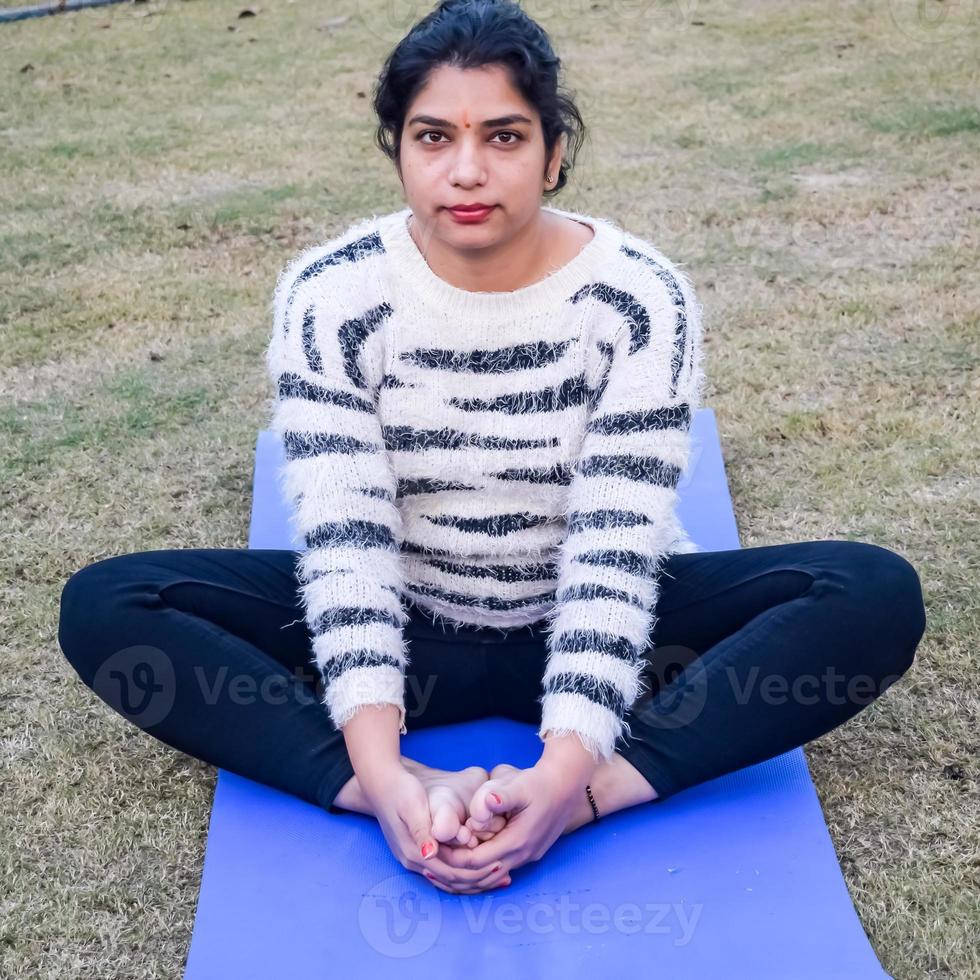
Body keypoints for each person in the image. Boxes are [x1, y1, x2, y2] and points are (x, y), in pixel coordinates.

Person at [58, 0, 927, 897]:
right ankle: (367, 789)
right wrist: (385, 774)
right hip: (412, 632)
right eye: (433, 137)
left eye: (505, 137)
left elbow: (614, 552)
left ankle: (613, 787)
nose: (466, 171)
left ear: (555, 153)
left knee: (870, 593)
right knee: (109, 605)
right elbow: (348, 548)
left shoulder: (637, 298)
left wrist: (564, 784)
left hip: (602, 632)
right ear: (395, 147)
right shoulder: (330, 297)